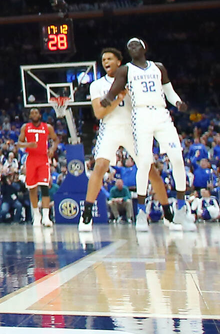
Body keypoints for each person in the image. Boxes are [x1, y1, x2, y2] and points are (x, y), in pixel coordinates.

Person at [98, 37, 194, 231]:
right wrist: (108, 98)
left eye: (136, 44)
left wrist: (178, 103)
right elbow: (115, 87)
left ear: (144, 47)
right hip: (141, 116)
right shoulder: (126, 69)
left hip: (161, 114)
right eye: (129, 46)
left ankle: (182, 209)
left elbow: (169, 91)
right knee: (144, 163)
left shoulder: (158, 67)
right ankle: (141, 213)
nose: (132, 47)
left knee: (177, 157)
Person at [80, 47, 172, 231]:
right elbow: (99, 113)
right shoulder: (97, 85)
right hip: (110, 128)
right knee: (99, 167)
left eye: (109, 59)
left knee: (151, 171)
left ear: (119, 62)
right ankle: (86, 215)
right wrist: (118, 97)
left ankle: (168, 213)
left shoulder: (133, 79)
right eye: (103, 59)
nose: (106, 62)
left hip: (133, 128)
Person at [16, 108, 56, 227]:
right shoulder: (25, 127)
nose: (34, 114)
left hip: (43, 159)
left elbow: (56, 140)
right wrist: (28, 144)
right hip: (31, 159)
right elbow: (19, 143)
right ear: (29, 116)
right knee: (32, 188)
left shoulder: (47, 127)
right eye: (31, 113)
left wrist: (52, 149)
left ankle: (46, 217)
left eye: (36, 113)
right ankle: (36, 216)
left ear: (40, 115)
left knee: (44, 188)